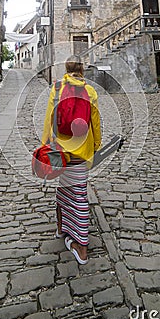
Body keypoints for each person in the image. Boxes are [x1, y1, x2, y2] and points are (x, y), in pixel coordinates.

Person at [41, 55, 102, 264]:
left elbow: (50, 118)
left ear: (66, 69)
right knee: (78, 193)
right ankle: (68, 231)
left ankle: (79, 244)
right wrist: (96, 145)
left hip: (60, 151)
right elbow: (95, 120)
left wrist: (45, 145)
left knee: (66, 191)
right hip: (81, 150)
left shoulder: (57, 88)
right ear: (82, 69)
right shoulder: (90, 91)